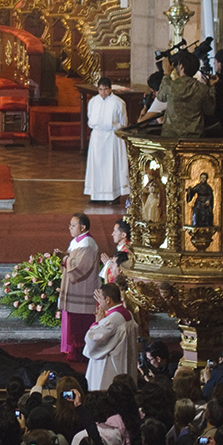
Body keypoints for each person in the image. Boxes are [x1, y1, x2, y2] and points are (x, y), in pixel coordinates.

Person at [59, 214, 100, 362]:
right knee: (73, 321)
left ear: (83, 227)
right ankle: (71, 348)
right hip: (74, 288)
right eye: (69, 225)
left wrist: (64, 258)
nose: (70, 228)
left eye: (73, 225)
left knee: (80, 323)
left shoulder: (87, 243)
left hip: (83, 289)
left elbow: (79, 266)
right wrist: (64, 256)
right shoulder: (76, 241)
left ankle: (81, 352)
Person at [83, 283, 138, 390]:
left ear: (108, 299)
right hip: (123, 362)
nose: (99, 302)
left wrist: (97, 323)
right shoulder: (127, 313)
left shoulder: (112, 320)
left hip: (111, 366)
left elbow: (92, 340)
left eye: (100, 299)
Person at [83, 80, 130, 203]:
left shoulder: (118, 102)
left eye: (105, 89)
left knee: (112, 166)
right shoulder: (93, 101)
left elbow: (123, 121)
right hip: (97, 137)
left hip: (112, 136)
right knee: (97, 165)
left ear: (110, 89)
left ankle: (114, 195)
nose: (103, 92)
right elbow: (90, 117)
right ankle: (96, 195)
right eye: (100, 89)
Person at [156, 48, 215, 139]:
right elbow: (210, 110)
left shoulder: (170, 85)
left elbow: (160, 97)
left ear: (181, 66)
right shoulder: (202, 89)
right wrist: (212, 88)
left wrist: (166, 74)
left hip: (171, 137)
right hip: (194, 137)